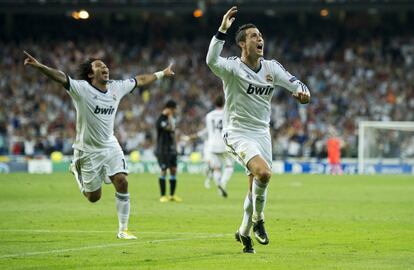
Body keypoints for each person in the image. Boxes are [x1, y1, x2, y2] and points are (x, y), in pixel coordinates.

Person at [23, 51, 175, 239]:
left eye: (105, 65)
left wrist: (162, 73)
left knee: (122, 180)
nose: (105, 67)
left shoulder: (116, 88)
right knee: (94, 197)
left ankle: (123, 229)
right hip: (86, 150)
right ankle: (76, 170)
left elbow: (140, 80)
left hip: (110, 145)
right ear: (90, 74)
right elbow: (61, 77)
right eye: (99, 66)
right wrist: (40, 66)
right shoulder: (81, 89)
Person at [206, 6, 311, 253]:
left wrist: (304, 95)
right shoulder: (231, 68)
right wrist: (222, 30)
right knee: (263, 174)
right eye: (253, 36)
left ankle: (243, 232)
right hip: (238, 132)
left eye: (260, 35)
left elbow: (297, 83)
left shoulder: (271, 68)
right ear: (242, 44)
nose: (259, 38)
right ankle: (259, 220)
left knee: (254, 185)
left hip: (262, 134)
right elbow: (211, 60)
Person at [155, 100, 182, 203]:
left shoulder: (172, 118)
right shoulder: (160, 120)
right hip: (163, 149)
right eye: (174, 109)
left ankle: (172, 195)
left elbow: (173, 130)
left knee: (173, 170)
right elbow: (170, 128)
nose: (175, 111)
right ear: (170, 108)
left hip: (171, 149)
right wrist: (169, 116)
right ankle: (162, 196)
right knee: (163, 170)